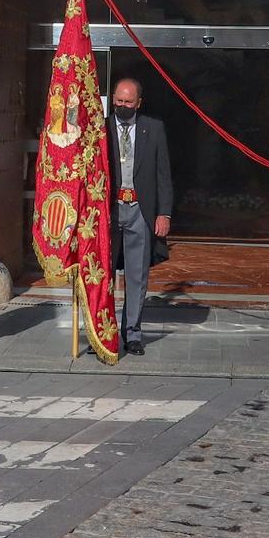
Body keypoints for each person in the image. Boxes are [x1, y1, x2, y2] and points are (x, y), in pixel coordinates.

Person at [108, 78, 172, 356]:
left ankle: (132, 332)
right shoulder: (101, 129)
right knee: (102, 276)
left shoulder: (153, 129)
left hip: (139, 211)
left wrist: (164, 213)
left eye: (128, 102)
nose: (122, 106)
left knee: (136, 276)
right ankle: (103, 333)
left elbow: (163, 174)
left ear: (138, 103)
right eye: (119, 101)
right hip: (108, 212)